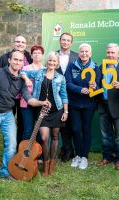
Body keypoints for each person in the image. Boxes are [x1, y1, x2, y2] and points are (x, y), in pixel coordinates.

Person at [0, 50, 49, 179]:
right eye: (15, 59)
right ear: (9, 60)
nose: (17, 62)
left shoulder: (21, 80)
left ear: (22, 63)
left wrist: (41, 102)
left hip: (7, 115)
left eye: (20, 61)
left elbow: (29, 99)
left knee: (12, 145)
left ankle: (6, 171)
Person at [21, 52, 68, 176]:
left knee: (55, 136)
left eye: (54, 61)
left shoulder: (61, 78)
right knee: (44, 138)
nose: (52, 63)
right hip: (42, 110)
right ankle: (45, 162)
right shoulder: (38, 73)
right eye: (50, 61)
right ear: (47, 62)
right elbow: (22, 72)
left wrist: (66, 111)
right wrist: (26, 79)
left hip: (57, 110)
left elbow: (64, 95)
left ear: (57, 64)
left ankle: (51, 165)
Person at [65, 43, 101, 170]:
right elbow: (68, 83)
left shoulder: (95, 67)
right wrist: (80, 89)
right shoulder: (71, 65)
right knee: (75, 129)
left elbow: (99, 85)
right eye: (82, 51)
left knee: (86, 129)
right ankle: (78, 155)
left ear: (90, 54)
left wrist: (94, 86)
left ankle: (84, 156)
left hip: (89, 104)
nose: (84, 54)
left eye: (87, 52)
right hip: (74, 103)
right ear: (78, 53)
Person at [96, 43, 119, 170]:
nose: (110, 55)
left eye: (113, 53)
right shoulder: (101, 68)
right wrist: (95, 87)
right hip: (103, 105)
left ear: (118, 54)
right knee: (105, 134)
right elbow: (99, 86)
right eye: (108, 53)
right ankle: (107, 157)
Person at [0, 34, 33, 147]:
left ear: (25, 45)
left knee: (22, 124)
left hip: (23, 97)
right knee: (8, 124)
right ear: (13, 43)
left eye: (22, 42)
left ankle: (19, 148)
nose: (20, 44)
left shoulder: (30, 58)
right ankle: (8, 147)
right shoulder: (4, 58)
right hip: (8, 96)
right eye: (18, 42)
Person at [56, 32, 78, 162]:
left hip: (74, 95)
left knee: (73, 124)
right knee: (62, 124)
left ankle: (72, 149)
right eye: (63, 40)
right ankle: (67, 149)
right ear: (60, 40)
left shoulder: (76, 56)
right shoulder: (54, 55)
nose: (65, 42)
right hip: (58, 95)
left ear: (71, 43)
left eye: (68, 40)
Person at [20, 45, 45, 140]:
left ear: (42, 55)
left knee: (39, 130)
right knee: (28, 130)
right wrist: (26, 78)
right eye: (35, 53)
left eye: (39, 53)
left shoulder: (45, 69)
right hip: (27, 103)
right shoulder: (26, 68)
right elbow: (21, 73)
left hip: (40, 103)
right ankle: (24, 153)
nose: (37, 55)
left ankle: (39, 153)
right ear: (31, 55)